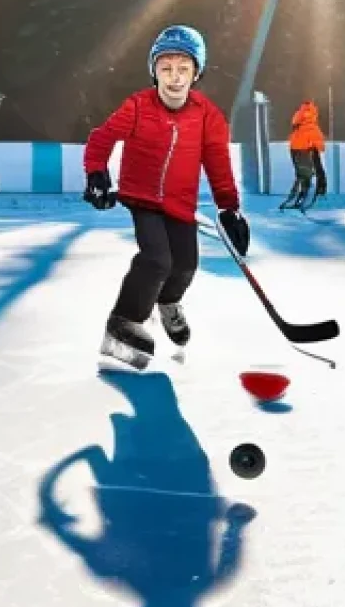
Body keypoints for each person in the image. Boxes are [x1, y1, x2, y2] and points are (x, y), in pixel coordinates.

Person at [82, 25, 250, 368]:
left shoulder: (207, 116)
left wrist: (229, 207)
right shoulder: (138, 106)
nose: (174, 78)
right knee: (157, 259)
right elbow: (102, 138)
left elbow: (218, 162)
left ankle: (168, 302)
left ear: (196, 73)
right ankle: (123, 323)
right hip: (142, 197)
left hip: (180, 201)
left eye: (183, 69)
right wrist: (96, 172)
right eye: (166, 69)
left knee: (186, 264)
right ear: (154, 71)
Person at [280, 99, 327, 211]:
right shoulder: (314, 127)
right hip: (307, 150)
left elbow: (293, 126)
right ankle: (306, 195)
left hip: (295, 150)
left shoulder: (298, 119)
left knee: (300, 175)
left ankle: (296, 196)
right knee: (308, 174)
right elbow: (320, 145)